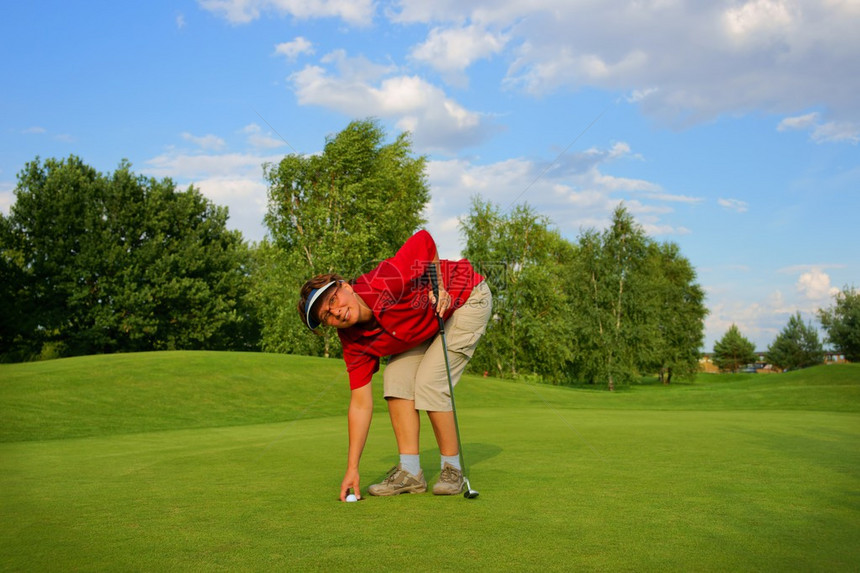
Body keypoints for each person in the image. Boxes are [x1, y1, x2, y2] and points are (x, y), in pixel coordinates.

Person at [297, 230, 492, 501]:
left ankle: (453, 470)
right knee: (396, 380)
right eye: (327, 316)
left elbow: (424, 239)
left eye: (332, 300)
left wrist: (439, 286)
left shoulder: (384, 281)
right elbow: (360, 404)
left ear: (345, 286)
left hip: (466, 298)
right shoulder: (353, 341)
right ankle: (410, 473)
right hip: (424, 323)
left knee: (429, 383)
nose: (336, 312)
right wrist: (352, 468)